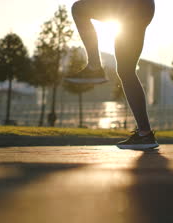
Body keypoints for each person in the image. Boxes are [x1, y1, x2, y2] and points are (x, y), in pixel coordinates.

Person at [66, 0, 159, 150]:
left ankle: (94, 66)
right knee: (126, 71)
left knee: (79, 9)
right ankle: (145, 134)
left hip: (130, 7)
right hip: (144, 9)